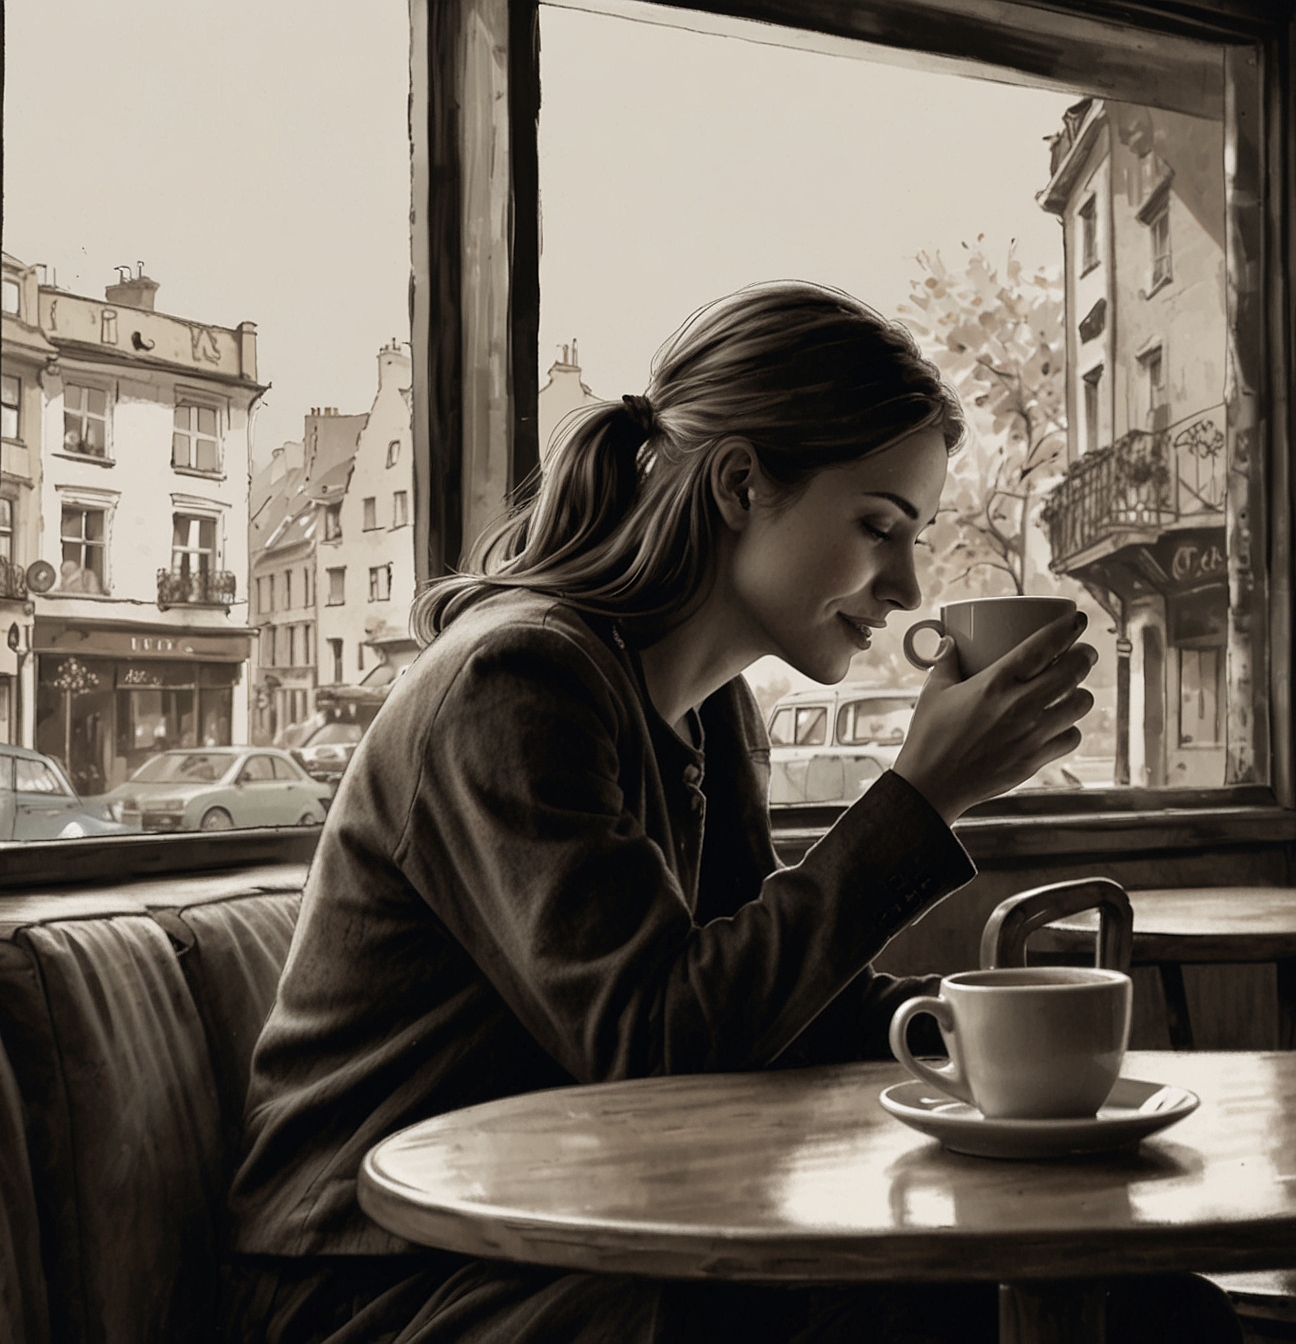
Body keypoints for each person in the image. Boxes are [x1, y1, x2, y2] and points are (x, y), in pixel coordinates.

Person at [224, 281, 1243, 1344]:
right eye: (879, 526)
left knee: (1139, 1300)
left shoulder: (711, 713)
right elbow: (656, 1040)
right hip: (391, 1280)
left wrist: (1003, 1027)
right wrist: (920, 799)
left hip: (582, 1229)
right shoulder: (513, 681)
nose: (905, 585)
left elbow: (755, 1009)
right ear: (740, 484)